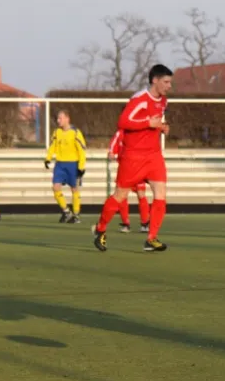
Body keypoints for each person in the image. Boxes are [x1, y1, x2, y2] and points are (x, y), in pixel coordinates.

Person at [92, 64, 172, 252]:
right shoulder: (140, 99)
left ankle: (151, 239)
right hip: (133, 157)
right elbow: (123, 122)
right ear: (155, 80)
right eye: (166, 82)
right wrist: (148, 123)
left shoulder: (163, 102)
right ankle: (100, 229)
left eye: (170, 82)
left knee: (160, 194)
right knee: (120, 195)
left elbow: (157, 121)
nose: (169, 86)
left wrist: (163, 126)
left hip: (153, 156)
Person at [44, 109, 87, 224]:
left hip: (73, 164)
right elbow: (53, 145)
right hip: (60, 164)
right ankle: (66, 211)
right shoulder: (56, 132)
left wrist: (81, 167)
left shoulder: (75, 132)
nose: (58, 120)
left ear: (67, 119)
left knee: (74, 189)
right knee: (55, 187)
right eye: (58, 118)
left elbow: (82, 150)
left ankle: (76, 215)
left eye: (60, 118)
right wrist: (48, 158)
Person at [108, 129, 150, 233]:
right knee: (122, 196)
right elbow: (112, 150)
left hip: (138, 168)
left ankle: (145, 224)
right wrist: (111, 154)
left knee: (141, 194)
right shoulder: (119, 134)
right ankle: (126, 224)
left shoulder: (140, 133)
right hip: (124, 169)